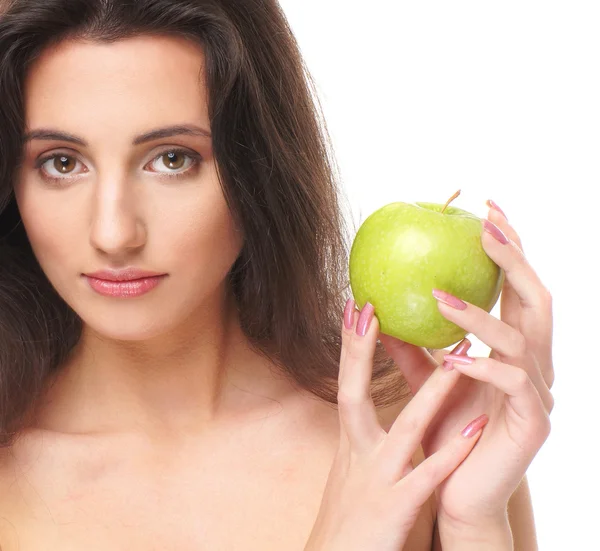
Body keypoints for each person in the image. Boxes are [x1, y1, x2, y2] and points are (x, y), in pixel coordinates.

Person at [0, 0, 554, 549]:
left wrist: (472, 522)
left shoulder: (411, 429)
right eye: (61, 162)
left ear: (258, 166)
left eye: (172, 159)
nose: (114, 233)